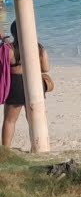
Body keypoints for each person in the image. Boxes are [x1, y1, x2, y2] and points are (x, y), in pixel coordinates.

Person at [2, 20, 51, 149]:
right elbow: (46, 68)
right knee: (33, 118)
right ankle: (38, 147)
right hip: (35, 82)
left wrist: (3, 40)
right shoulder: (39, 48)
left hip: (16, 84)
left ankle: (6, 149)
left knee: (10, 120)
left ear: (13, 33)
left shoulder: (9, 50)